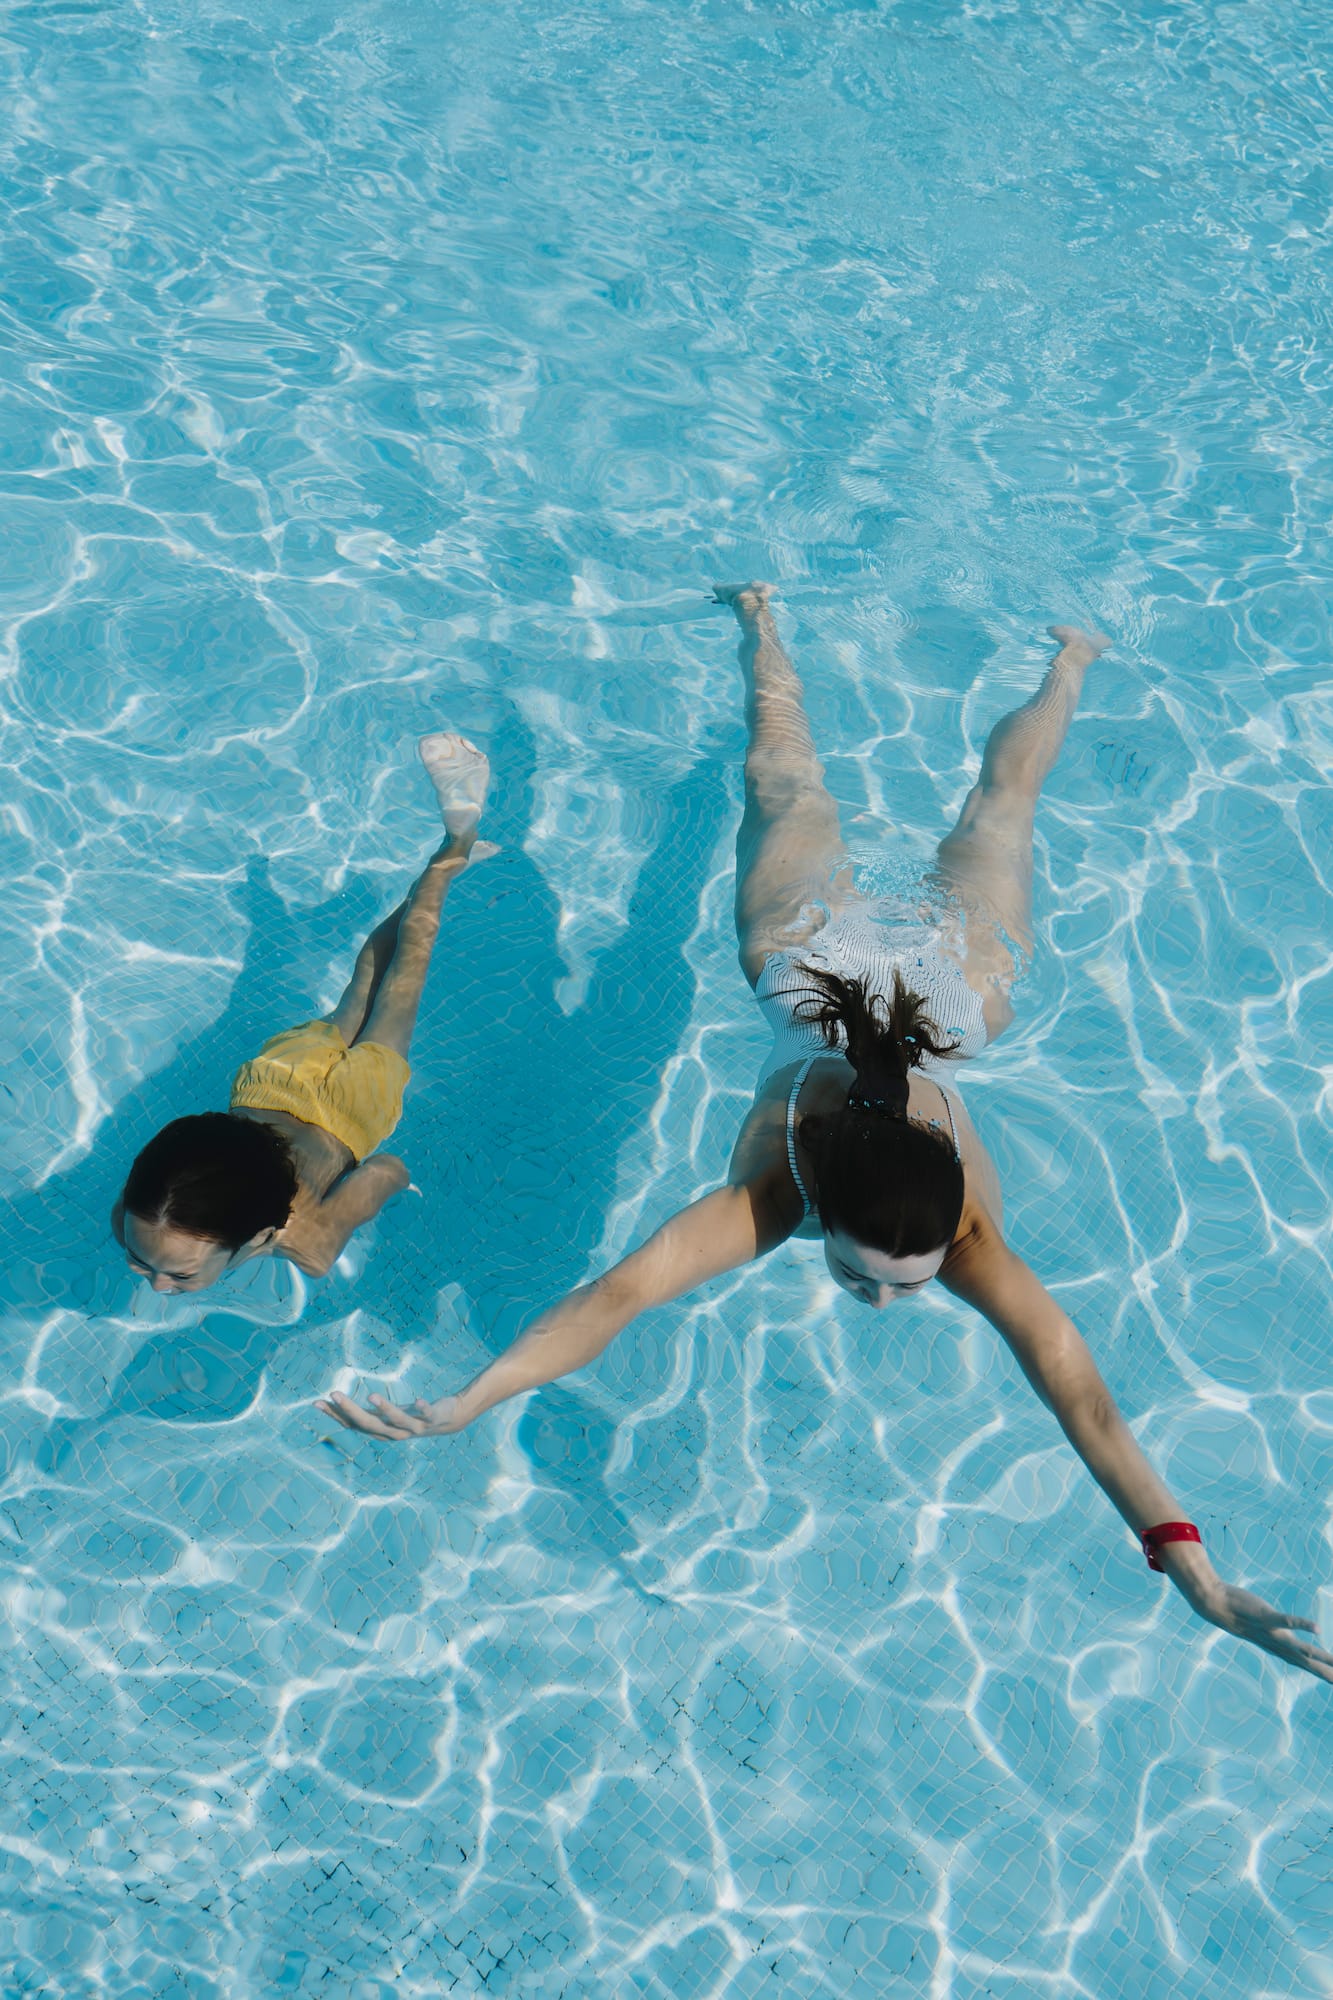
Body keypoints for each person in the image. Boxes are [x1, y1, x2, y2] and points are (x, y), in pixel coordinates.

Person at [320, 588, 1331, 1684]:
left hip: (865, 970)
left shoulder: (962, 1235)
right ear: (822, 1206)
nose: (886, 1300)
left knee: (965, 805)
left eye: (897, 1280)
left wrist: (1197, 1577)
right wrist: (470, 1403)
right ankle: (763, 621)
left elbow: (1080, 1400)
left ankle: (1066, 654)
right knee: (894, 796)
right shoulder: (774, 1193)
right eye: (863, 1275)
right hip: (888, 977)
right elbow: (612, 1299)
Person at [114, 734, 491, 1291]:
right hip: (275, 1083)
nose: (156, 1284)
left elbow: (390, 1169)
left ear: (263, 1238)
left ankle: (455, 844)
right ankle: (428, 885)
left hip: (353, 1111)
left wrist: (391, 1191)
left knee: (399, 984)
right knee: (369, 978)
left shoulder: (310, 1245)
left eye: (178, 1273)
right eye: (145, 1260)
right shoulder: (142, 1212)